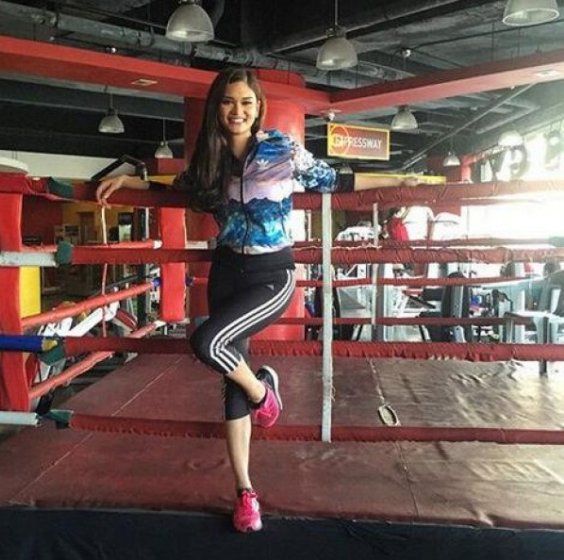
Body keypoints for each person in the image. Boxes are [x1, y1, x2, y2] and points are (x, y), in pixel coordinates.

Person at [96, 67, 413, 533]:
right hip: (227, 271)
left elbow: (335, 180)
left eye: (246, 102)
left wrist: (400, 179)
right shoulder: (211, 157)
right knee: (231, 376)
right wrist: (133, 180)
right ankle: (245, 490)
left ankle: (264, 393)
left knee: (206, 342)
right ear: (217, 108)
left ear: (258, 107)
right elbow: (181, 190)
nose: (237, 111)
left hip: (271, 275)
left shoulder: (280, 149)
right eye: (228, 102)